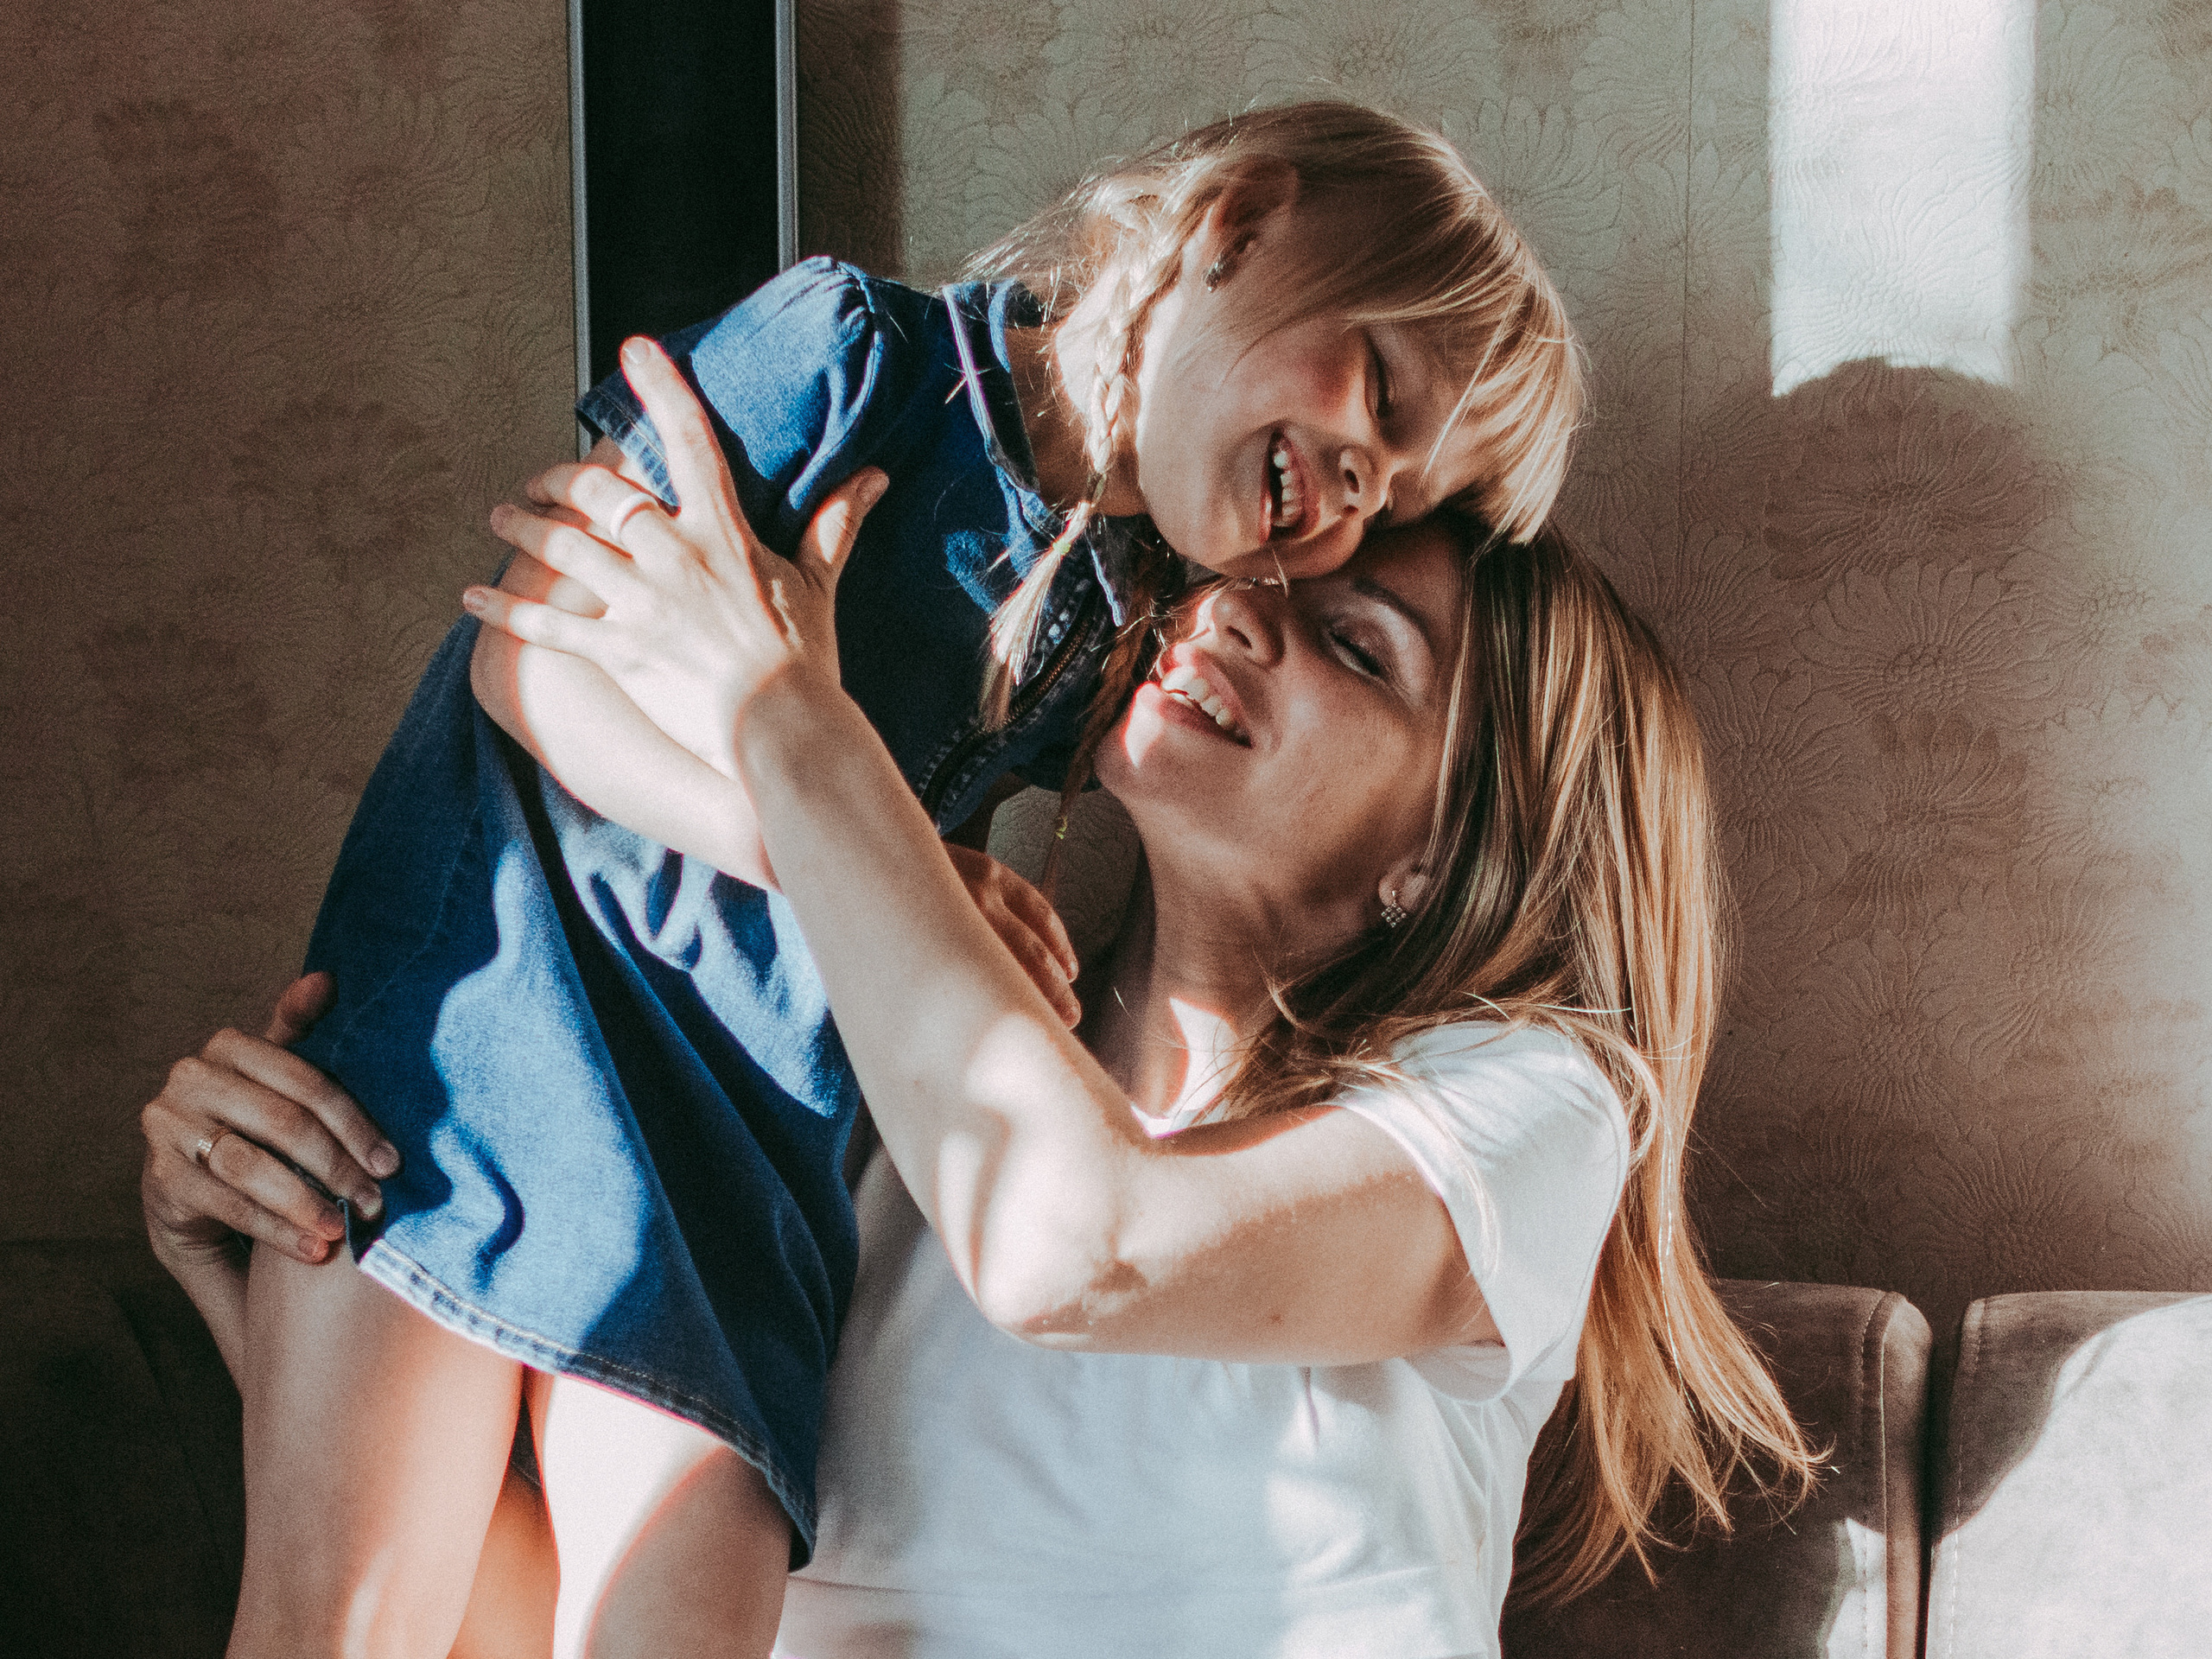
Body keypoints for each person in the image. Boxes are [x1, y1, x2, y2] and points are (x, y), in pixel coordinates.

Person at [147, 102, 1585, 1656]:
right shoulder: (859, 371)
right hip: (499, 1057)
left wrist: (862, 813)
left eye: (1369, 594)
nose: (1316, 537)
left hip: (726, 1175)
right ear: (1231, 226)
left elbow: (1077, 1240)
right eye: (1369, 403)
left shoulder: (1519, 1118)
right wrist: (241, 1291)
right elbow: (533, 653)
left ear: (1452, 842)